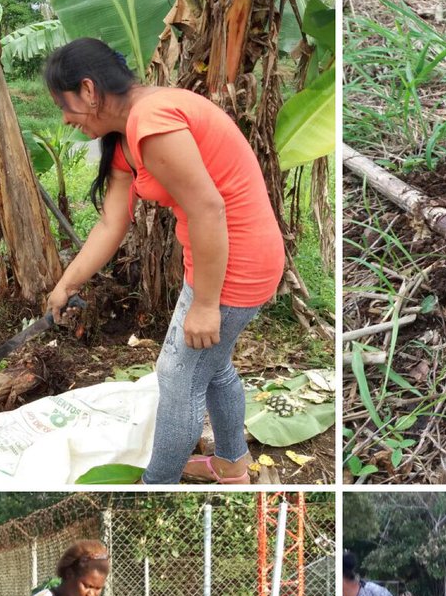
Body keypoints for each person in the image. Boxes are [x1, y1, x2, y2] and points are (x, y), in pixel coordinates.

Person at [41, 38, 286, 485]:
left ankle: (158, 486)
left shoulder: (152, 121)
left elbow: (209, 208)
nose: (64, 117)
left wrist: (207, 304)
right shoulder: (124, 138)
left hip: (237, 264)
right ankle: (232, 465)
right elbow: (112, 224)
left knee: (178, 379)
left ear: (90, 91)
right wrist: (66, 283)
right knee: (213, 367)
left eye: (65, 104)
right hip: (218, 259)